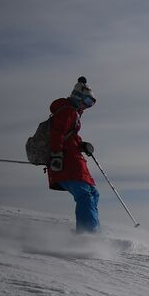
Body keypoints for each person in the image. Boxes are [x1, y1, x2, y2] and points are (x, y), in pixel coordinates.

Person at [48, 77, 100, 233]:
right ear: (78, 96)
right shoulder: (68, 111)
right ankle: (87, 234)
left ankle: (91, 230)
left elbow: (70, 136)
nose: (87, 106)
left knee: (93, 193)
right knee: (85, 195)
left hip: (73, 159)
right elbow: (57, 133)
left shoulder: (73, 113)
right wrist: (56, 154)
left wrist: (81, 144)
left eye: (91, 103)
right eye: (87, 101)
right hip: (67, 161)